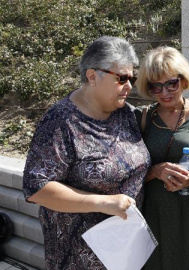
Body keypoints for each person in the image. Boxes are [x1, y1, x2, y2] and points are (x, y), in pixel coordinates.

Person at [22, 36, 151, 269]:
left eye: (131, 78)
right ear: (92, 76)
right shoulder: (60, 121)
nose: (129, 86)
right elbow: (37, 187)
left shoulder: (125, 113)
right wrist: (103, 202)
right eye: (121, 78)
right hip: (79, 257)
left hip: (124, 252)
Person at [135, 46, 189, 270]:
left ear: (183, 81)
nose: (165, 92)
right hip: (156, 214)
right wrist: (155, 171)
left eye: (171, 83)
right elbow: (128, 173)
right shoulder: (142, 118)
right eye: (156, 86)